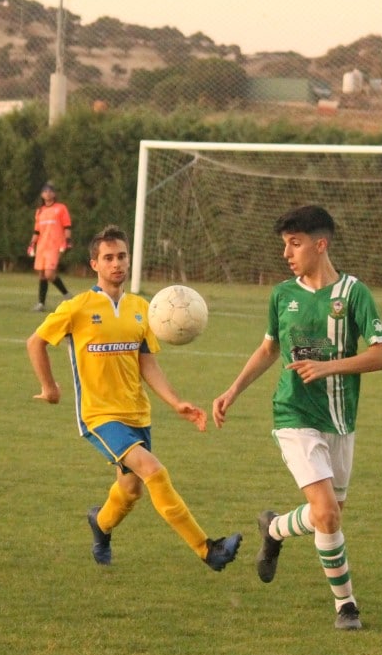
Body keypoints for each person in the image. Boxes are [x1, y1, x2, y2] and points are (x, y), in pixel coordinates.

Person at [213, 205, 382, 630]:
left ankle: (274, 528)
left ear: (320, 244)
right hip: (293, 414)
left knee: (329, 515)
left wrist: (328, 366)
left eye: (295, 244)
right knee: (327, 513)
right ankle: (346, 606)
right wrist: (233, 390)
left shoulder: (353, 294)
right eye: (285, 245)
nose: (287, 253)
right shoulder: (282, 295)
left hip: (340, 419)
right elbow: (269, 348)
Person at [26, 224, 242, 572]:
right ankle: (207, 549)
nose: (117, 264)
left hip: (137, 415)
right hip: (99, 416)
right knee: (153, 471)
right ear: (94, 264)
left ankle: (101, 523)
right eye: (108, 258)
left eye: (122, 256)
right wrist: (50, 387)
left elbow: (147, 363)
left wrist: (175, 402)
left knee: (130, 490)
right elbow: (35, 342)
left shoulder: (144, 309)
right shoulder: (77, 307)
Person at [28, 182, 72, 310]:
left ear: (54, 194)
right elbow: (37, 230)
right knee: (42, 274)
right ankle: (41, 303)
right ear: (42, 194)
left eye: (50, 191)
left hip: (55, 245)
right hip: (42, 246)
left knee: (49, 274)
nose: (48, 193)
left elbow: (67, 226)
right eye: (45, 191)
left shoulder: (61, 208)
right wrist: (32, 244)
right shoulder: (40, 211)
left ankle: (66, 294)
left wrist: (68, 240)